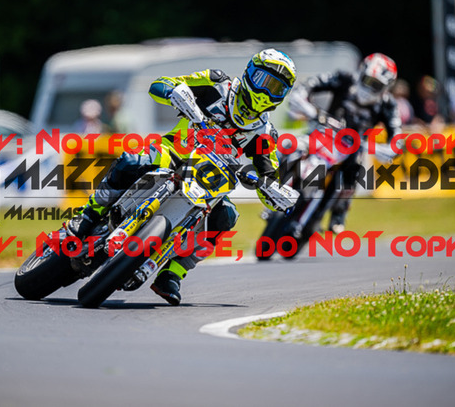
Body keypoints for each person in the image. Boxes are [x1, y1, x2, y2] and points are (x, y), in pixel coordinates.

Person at [65, 49, 297, 305]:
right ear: (249, 73)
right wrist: (174, 92)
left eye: (276, 88)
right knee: (131, 161)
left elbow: (270, 177)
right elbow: (161, 84)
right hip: (174, 151)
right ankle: (88, 216)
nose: (265, 92)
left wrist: (275, 192)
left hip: (211, 181)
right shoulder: (217, 83)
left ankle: (173, 274)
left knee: (227, 216)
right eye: (263, 81)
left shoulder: (265, 134)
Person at [289, 53, 401, 234]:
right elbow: (313, 83)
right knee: (294, 147)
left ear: (386, 87)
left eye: (376, 85)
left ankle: (339, 211)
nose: (369, 88)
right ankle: (276, 187)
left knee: (354, 168)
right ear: (361, 73)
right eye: (368, 80)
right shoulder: (345, 79)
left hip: (354, 146)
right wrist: (304, 99)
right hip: (324, 131)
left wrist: (388, 149)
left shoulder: (388, 104)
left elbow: (397, 137)